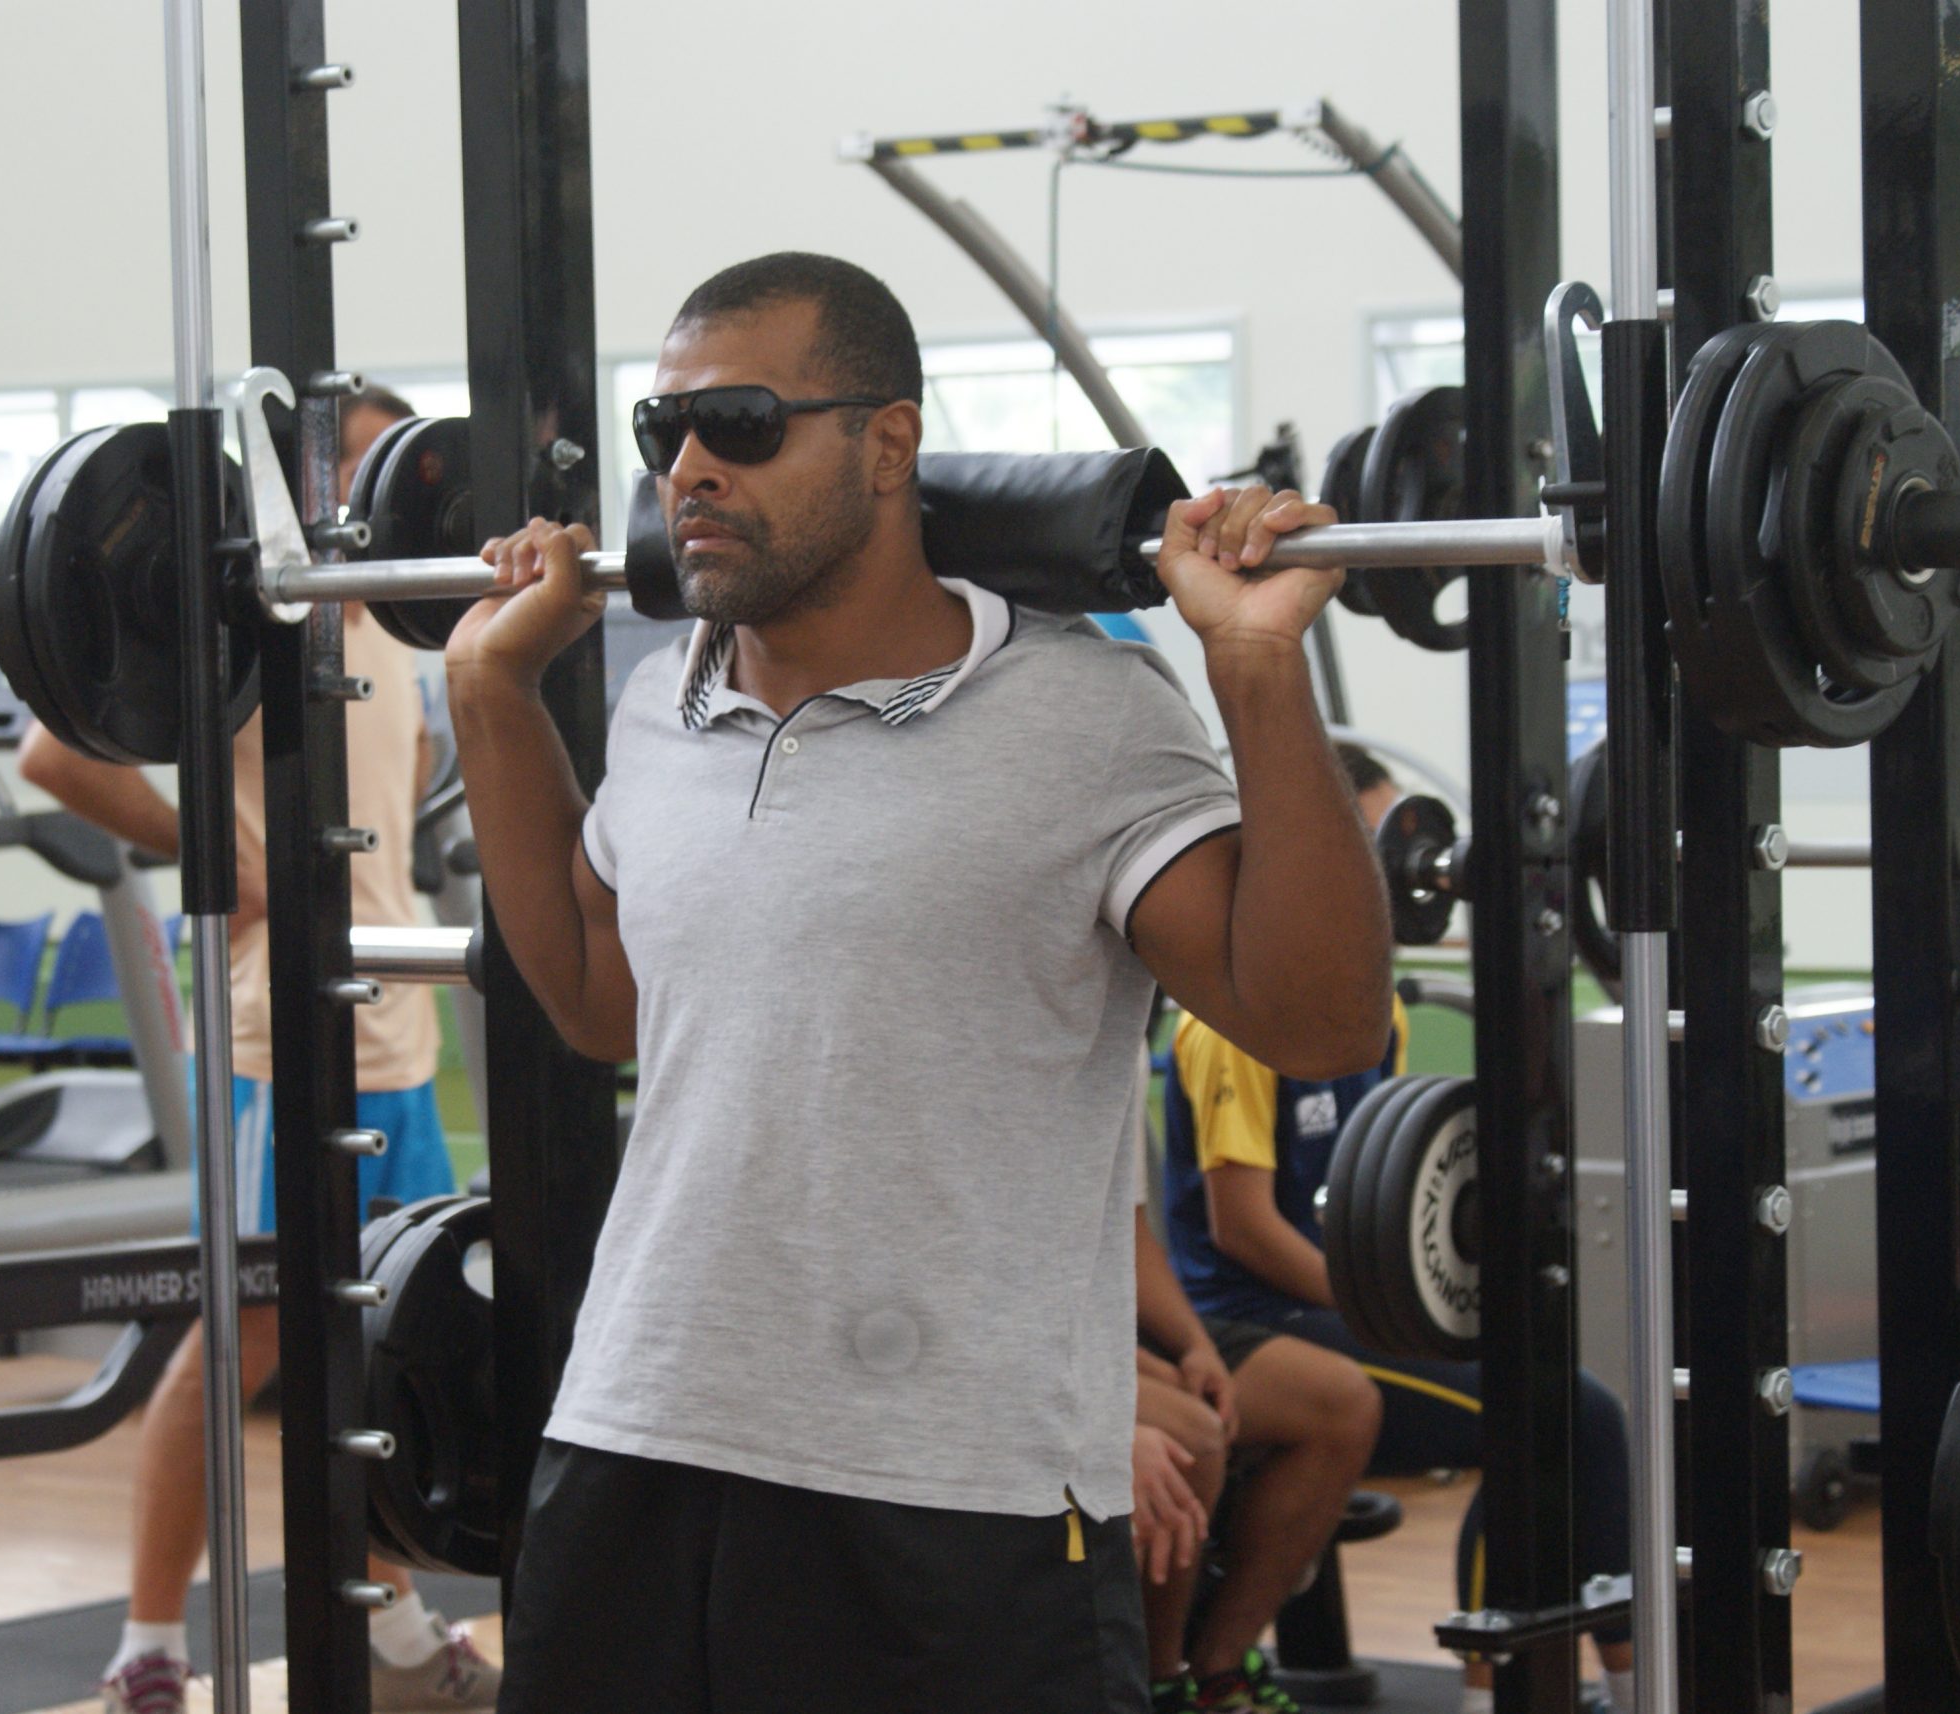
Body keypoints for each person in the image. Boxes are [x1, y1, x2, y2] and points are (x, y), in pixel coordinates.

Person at [445, 251, 1392, 1713]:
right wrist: (488, 696)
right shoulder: (661, 699)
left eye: (743, 424)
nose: (689, 468)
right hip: (641, 1423)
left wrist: (1258, 667)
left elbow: (1319, 1019)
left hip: (954, 1485)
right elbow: (591, 998)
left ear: (889, 444)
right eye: (666, 432)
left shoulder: (1083, 712)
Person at [28, 387, 500, 1714]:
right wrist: (211, 850)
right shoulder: (244, 609)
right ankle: (144, 1644)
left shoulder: (397, 617)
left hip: (394, 1032)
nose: (396, 488)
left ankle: (393, 1622)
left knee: (385, 1327)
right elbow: (50, 750)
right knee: (241, 1337)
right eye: (364, 464)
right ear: (298, 480)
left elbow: (388, 817)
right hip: (276, 1035)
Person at [1164, 745, 1636, 1714]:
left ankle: (1631, 1682)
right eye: (1361, 844)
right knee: (1540, 1412)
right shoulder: (1227, 1021)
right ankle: (1472, 1691)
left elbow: (1370, 1194)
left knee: (1573, 1407)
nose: (1383, 877)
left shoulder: (1372, 1012)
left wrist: (1409, 1300)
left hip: (1332, 1305)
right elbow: (1244, 1228)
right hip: (1242, 1323)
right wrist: (1388, 1306)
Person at [1132, 1166, 1380, 1714]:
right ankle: (1159, 1683)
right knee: (1193, 1437)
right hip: (1036, 1339)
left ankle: (1218, 1672)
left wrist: (1194, 1346)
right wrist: (1146, 1368)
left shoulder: (1110, 1092)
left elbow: (1129, 1236)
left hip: (1116, 1324)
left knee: (1341, 1404)